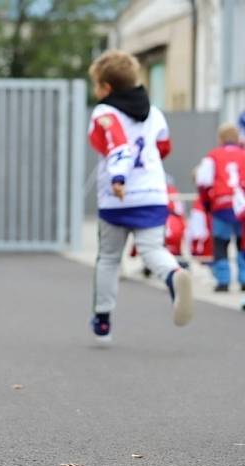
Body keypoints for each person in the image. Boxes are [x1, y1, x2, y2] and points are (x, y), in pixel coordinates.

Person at [87, 50, 193, 343]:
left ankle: (103, 318)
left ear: (106, 87)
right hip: (153, 192)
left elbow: (117, 145)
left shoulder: (104, 113)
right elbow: (163, 147)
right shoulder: (155, 113)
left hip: (117, 196)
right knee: (153, 249)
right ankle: (173, 275)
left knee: (108, 257)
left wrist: (119, 177)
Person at [195, 123, 245, 291]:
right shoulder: (243, 155)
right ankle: (244, 278)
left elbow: (203, 181)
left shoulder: (213, 156)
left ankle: (223, 280)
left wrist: (206, 202)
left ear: (220, 139)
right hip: (242, 206)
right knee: (242, 243)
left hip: (222, 205)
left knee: (221, 243)